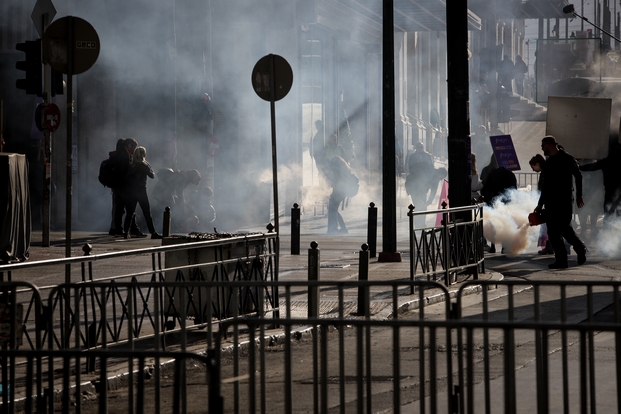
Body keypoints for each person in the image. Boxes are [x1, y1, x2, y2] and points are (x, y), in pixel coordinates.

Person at [534, 136, 587, 268]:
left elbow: (578, 175)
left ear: (550, 145)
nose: (542, 148)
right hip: (551, 203)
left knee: (564, 228)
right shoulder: (549, 163)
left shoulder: (567, 158)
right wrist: (540, 205)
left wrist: (579, 195)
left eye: (543, 145)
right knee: (552, 232)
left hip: (564, 201)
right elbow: (546, 186)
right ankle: (561, 260)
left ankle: (580, 248)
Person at [110, 138, 147, 238]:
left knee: (123, 209)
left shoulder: (121, 154)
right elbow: (124, 173)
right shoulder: (124, 156)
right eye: (133, 147)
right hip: (123, 187)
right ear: (128, 146)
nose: (134, 149)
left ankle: (121, 229)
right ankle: (128, 229)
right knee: (128, 210)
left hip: (120, 187)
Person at [123, 146, 162, 239]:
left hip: (132, 191)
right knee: (147, 213)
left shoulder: (132, 165)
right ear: (143, 154)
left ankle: (125, 232)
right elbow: (152, 175)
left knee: (130, 213)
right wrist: (149, 166)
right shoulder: (143, 165)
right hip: (141, 191)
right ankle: (153, 232)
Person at [481, 154, 517, 253]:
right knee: (504, 224)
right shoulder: (509, 174)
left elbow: (485, 187)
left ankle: (493, 245)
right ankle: (504, 246)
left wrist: (487, 198)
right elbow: (513, 189)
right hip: (505, 202)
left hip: (492, 200)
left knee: (493, 224)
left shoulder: (491, 173)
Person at [579, 140, 621, 223]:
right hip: (616, 192)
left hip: (610, 191)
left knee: (608, 213)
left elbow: (592, 167)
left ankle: (607, 229)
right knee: (616, 214)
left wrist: (578, 167)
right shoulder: (609, 161)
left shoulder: (607, 161)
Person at [151, 168, 202, 232]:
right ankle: (164, 228)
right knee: (171, 209)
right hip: (164, 193)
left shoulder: (182, 174)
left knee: (163, 208)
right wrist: (183, 205)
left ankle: (156, 222)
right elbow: (179, 192)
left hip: (161, 191)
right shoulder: (184, 178)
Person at [529, 154, 554, 255]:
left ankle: (550, 247)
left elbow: (545, 190)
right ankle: (550, 246)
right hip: (548, 202)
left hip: (548, 202)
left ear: (537, 164)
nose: (533, 170)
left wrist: (540, 204)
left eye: (533, 167)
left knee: (549, 227)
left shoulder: (545, 173)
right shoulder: (546, 172)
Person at [325, 156, 351, 234]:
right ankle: (340, 228)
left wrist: (327, 174)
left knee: (332, 209)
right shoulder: (344, 169)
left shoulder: (337, 170)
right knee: (333, 209)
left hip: (338, 191)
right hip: (342, 192)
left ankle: (333, 228)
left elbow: (333, 179)